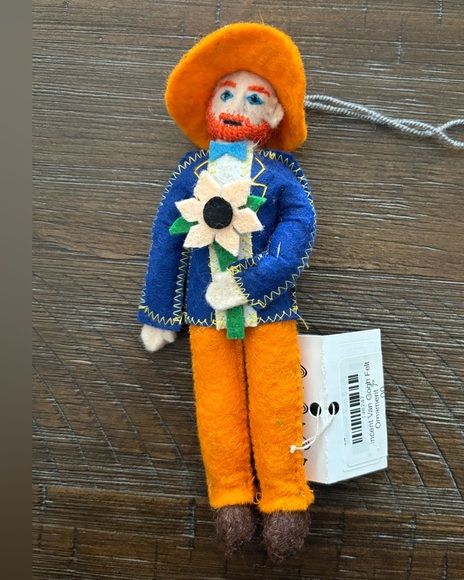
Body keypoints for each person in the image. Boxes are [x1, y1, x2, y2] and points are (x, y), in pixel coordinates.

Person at [137, 23, 316, 563]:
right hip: (203, 316)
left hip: (269, 311)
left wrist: (250, 281)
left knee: (277, 400)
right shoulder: (191, 173)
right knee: (216, 409)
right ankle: (230, 497)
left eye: (255, 97)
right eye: (227, 93)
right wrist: (159, 313)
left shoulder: (281, 176)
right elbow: (166, 242)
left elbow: (298, 231)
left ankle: (285, 499)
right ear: (209, 104)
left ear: (275, 115)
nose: (238, 106)